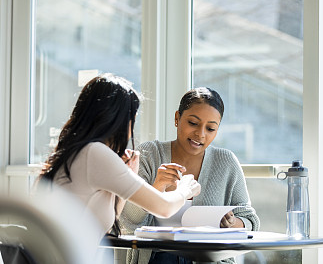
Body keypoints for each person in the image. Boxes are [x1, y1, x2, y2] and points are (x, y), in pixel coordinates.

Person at [35, 74, 201, 252]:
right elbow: (164, 208)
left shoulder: (73, 152)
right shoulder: (95, 153)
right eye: (132, 120)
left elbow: (105, 226)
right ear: (119, 120)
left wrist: (127, 173)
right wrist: (185, 189)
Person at [120, 87, 260, 264]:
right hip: (156, 259)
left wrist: (232, 223)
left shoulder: (226, 161)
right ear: (177, 118)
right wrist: (155, 189)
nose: (200, 134)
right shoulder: (149, 154)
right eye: (193, 123)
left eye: (210, 128)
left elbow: (250, 220)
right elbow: (127, 222)